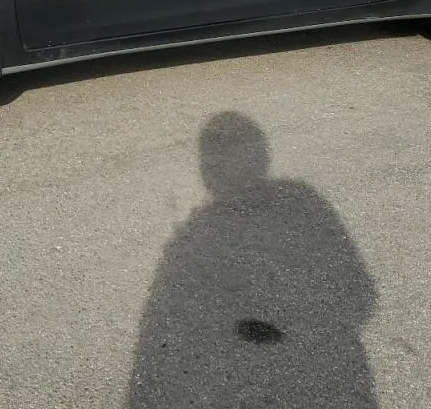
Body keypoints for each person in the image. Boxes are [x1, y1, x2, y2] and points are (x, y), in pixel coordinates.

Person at [128, 111, 379, 408]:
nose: (219, 168)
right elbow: (361, 300)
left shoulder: (195, 236)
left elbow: (361, 299)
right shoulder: (302, 200)